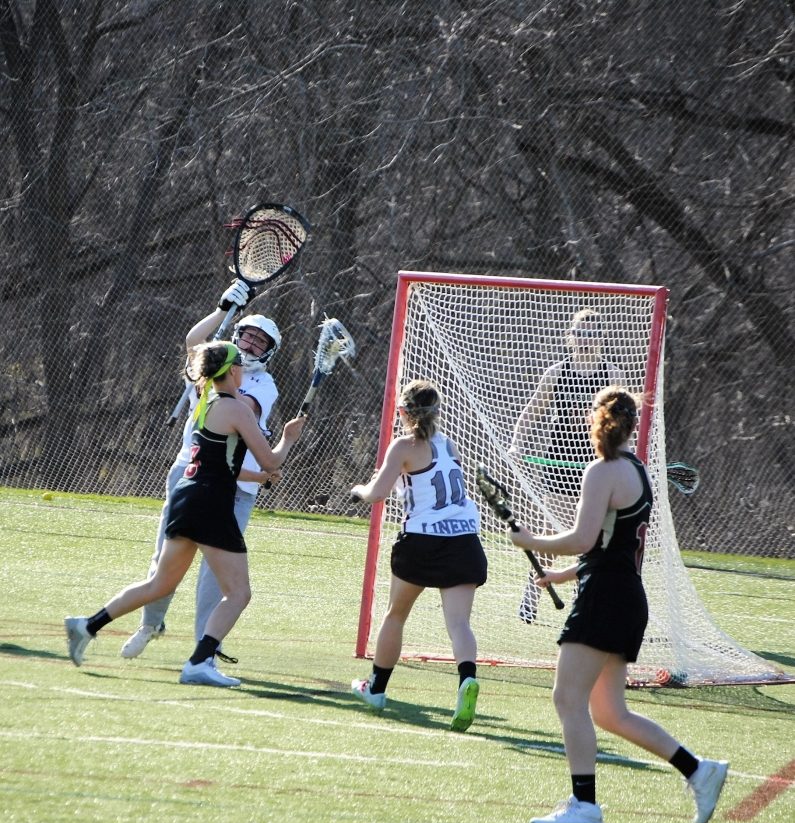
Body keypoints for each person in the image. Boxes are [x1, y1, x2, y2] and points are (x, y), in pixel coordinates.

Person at [508, 386, 728, 823]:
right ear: (630, 426)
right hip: (626, 597)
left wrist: (531, 542)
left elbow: (583, 539)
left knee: (567, 698)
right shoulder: (638, 471)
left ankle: (584, 806)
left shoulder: (601, 471)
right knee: (609, 712)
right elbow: (609, 546)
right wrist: (562, 576)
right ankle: (697, 770)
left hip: (606, 599)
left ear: (599, 422)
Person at [64, 340, 306, 687]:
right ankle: (199, 661)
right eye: (239, 364)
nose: (242, 369)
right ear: (232, 370)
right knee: (238, 594)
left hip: (188, 498)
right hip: (210, 505)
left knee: (160, 584)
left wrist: (260, 475)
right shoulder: (236, 409)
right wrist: (288, 438)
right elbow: (271, 459)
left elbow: (225, 466)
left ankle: (86, 626)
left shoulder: (206, 402)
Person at [119, 279, 282, 661]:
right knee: (165, 558)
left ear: (268, 352)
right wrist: (223, 309)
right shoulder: (215, 364)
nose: (252, 345)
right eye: (248, 335)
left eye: (261, 342)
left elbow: (240, 411)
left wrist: (214, 372)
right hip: (189, 474)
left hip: (236, 488)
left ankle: (204, 645)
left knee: (216, 572)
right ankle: (150, 623)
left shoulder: (262, 384)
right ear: (237, 335)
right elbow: (194, 340)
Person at [349, 379, 488, 732]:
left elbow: (377, 494)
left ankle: (376, 689)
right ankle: (466, 679)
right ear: (436, 412)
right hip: (464, 540)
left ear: (404, 412)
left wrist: (359, 491)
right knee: (459, 624)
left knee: (395, 616)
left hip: (422, 541)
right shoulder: (448, 444)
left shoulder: (404, 445)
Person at [509, 308, 625, 622]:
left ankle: (581, 594)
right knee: (551, 534)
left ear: (603, 338)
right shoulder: (556, 373)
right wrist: (518, 444)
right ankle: (532, 592)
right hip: (559, 465)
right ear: (569, 337)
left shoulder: (612, 376)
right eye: (580, 333)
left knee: (590, 537)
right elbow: (530, 414)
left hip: (597, 466)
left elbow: (625, 422)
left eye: (592, 333)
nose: (585, 339)